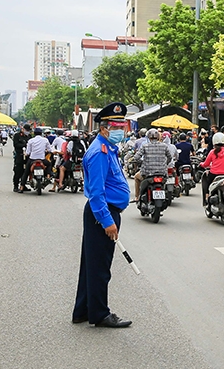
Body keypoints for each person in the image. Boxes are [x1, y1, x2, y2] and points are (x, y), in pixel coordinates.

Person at [72, 102, 132, 328]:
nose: (121, 129)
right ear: (104, 128)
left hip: (105, 211)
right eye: (116, 125)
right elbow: (96, 193)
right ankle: (99, 314)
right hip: (102, 212)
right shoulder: (99, 152)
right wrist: (107, 221)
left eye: (122, 125)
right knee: (99, 267)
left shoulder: (108, 149)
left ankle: (83, 310)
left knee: (91, 264)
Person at [132, 128, 175, 202]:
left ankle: (137, 197)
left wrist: (142, 162)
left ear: (148, 137)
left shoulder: (145, 146)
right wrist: (165, 164)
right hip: (162, 173)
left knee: (136, 177)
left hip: (147, 173)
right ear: (158, 137)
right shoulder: (164, 146)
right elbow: (170, 157)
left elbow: (136, 157)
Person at [201, 131, 224, 205]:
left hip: (214, 175)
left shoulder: (212, 152)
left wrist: (201, 164)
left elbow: (206, 164)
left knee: (207, 183)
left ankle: (207, 198)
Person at [18, 127, 52, 193]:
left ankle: (21, 187)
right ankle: (48, 175)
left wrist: (25, 153)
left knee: (26, 172)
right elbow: (50, 150)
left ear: (34, 133)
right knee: (49, 164)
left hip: (32, 159)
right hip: (42, 159)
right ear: (41, 133)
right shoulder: (45, 140)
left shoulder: (31, 141)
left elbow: (27, 153)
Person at [12, 124, 31, 192]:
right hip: (19, 155)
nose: (27, 132)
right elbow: (16, 144)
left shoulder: (29, 136)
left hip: (27, 156)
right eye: (26, 130)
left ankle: (23, 185)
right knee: (18, 171)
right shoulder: (17, 135)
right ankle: (16, 186)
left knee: (25, 172)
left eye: (28, 131)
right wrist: (25, 145)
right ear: (22, 129)